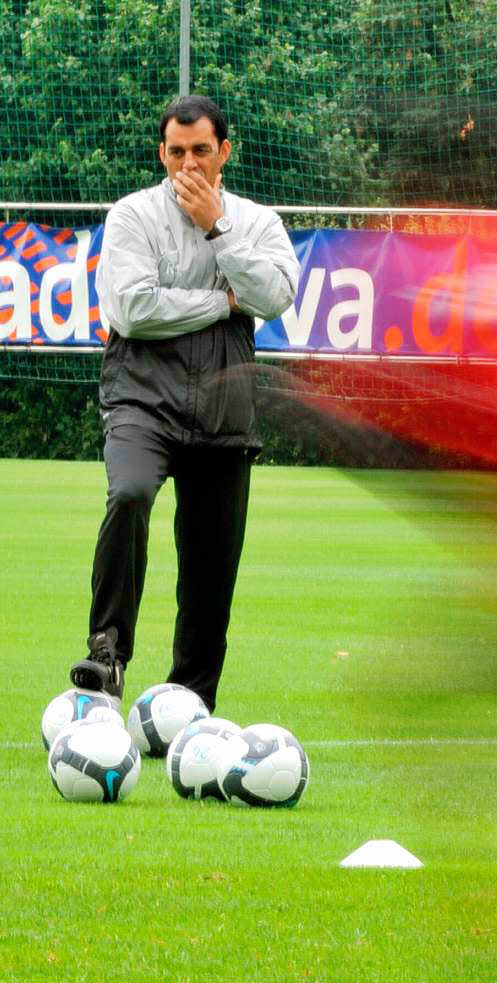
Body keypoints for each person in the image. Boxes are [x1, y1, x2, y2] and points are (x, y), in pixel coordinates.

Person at [70, 94, 300, 711]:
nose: (189, 165)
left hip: (225, 398)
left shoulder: (256, 222)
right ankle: (107, 652)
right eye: (177, 152)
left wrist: (216, 228)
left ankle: (187, 705)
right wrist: (224, 303)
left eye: (202, 151)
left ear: (224, 151)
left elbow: (275, 297)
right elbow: (132, 310)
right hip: (142, 391)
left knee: (211, 561)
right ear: (162, 153)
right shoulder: (132, 217)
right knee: (130, 493)